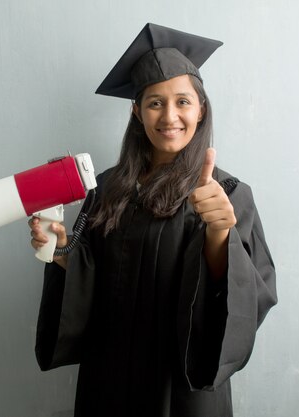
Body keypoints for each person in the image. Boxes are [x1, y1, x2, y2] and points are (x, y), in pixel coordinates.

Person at [29, 23, 277, 417]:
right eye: (155, 103)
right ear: (136, 111)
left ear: (201, 109)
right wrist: (62, 252)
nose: (170, 116)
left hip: (179, 383)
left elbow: (241, 298)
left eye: (183, 101)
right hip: (109, 377)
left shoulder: (228, 193)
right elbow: (92, 275)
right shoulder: (107, 188)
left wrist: (220, 232)